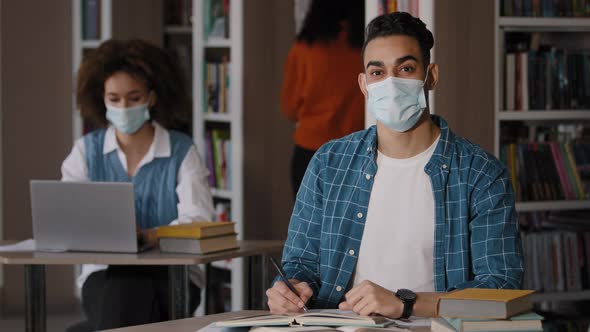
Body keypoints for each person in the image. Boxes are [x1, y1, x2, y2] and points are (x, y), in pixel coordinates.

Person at [267, 12, 524, 318]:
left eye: (405, 68)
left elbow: (501, 287)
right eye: (378, 73)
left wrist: (405, 303)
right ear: (364, 85)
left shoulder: (480, 173)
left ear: (431, 76)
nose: (390, 83)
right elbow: (301, 265)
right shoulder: (328, 163)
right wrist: (290, 290)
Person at [62, 39, 214, 331]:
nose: (123, 107)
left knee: (126, 295)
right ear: (101, 98)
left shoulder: (182, 150)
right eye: (114, 99)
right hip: (103, 274)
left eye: (133, 98)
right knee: (123, 286)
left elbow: (198, 220)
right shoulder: (86, 151)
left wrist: (149, 236)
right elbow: (67, 215)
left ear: (152, 98)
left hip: (174, 275)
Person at [281, 0, 366, 197]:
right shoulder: (368, 48)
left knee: (310, 225)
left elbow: (289, 108)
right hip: (356, 152)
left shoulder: (304, 49)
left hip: (310, 152)